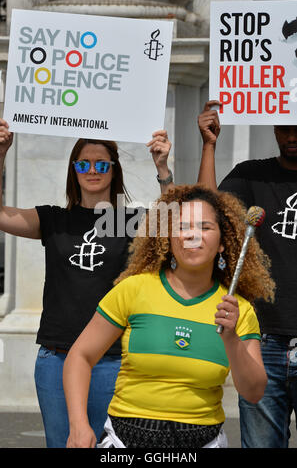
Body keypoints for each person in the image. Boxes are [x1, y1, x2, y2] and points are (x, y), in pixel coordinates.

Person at [0, 119, 172, 448]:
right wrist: (1, 153)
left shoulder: (130, 221)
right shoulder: (53, 219)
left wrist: (162, 168)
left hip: (112, 359)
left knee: (113, 449)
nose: (92, 170)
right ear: (73, 170)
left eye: (101, 164)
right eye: (83, 163)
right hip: (57, 358)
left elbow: (177, 225)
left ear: (113, 170)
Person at [63, 183, 275, 448]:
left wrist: (231, 338)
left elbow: (254, 392)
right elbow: (80, 356)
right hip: (123, 443)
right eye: (182, 227)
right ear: (168, 238)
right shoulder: (133, 289)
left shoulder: (238, 310)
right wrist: (79, 425)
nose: (192, 236)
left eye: (204, 227)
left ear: (222, 242)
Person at [198, 101, 297, 448]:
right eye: (284, 127)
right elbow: (206, 210)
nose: (291, 135)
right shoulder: (251, 174)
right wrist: (209, 144)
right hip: (262, 340)